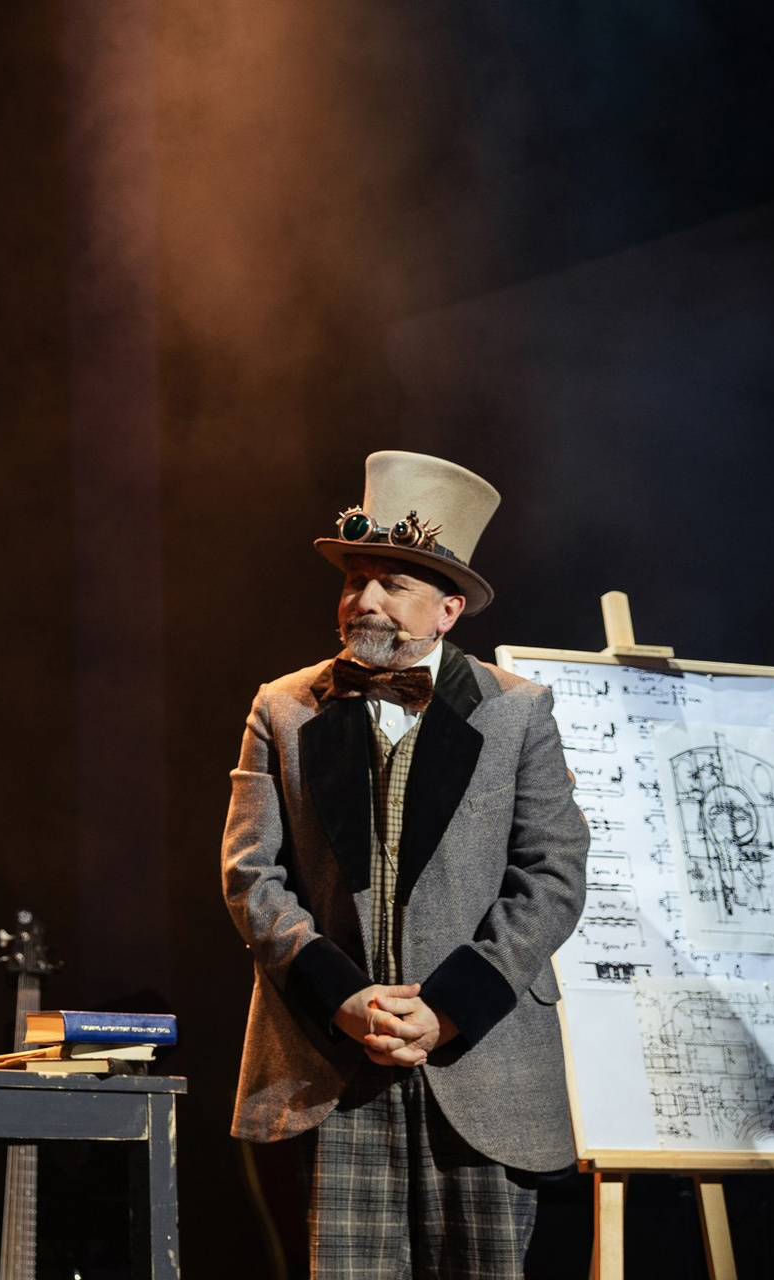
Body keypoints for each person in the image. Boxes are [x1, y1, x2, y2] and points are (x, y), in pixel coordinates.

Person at [220, 451, 588, 1278]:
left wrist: (449, 1007)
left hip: (477, 1065)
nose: (365, 600)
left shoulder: (517, 712)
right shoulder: (284, 707)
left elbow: (553, 874)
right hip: (334, 1065)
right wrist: (342, 995)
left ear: (448, 609)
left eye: (393, 583)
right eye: (356, 580)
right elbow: (251, 874)